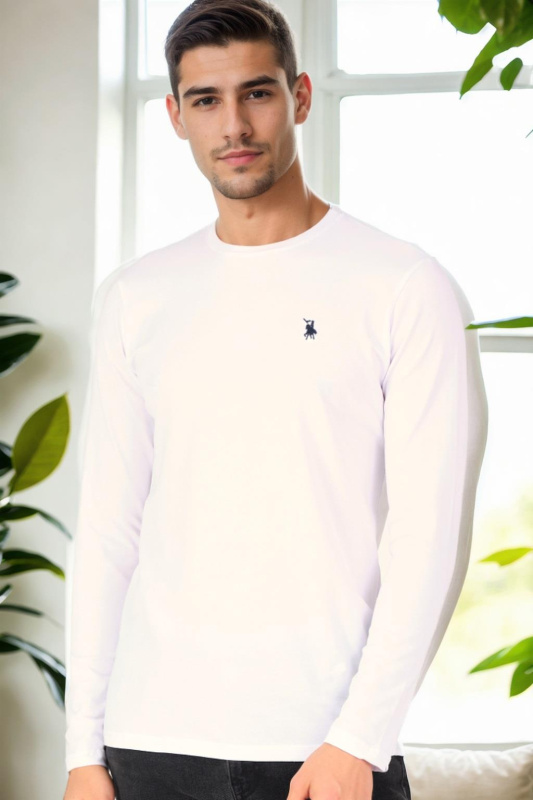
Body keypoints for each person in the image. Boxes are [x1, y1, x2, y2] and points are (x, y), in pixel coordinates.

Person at [62, 1, 489, 799]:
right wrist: (82, 751)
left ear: (299, 96)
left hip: (326, 746)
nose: (234, 125)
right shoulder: (136, 297)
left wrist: (359, 738)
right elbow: (109, 531)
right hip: (147, 742)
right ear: (176, 116)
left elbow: (429, 535)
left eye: (255, 93)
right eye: (205, 100)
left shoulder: (403, 284)